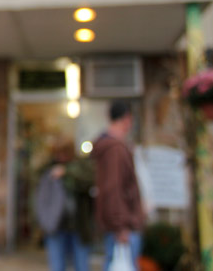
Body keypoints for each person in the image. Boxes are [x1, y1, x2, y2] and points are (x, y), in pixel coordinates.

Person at [91, 101, 145, 271]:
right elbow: (113, 188)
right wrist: (120, 225)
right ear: (126, 119)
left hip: (118, 222)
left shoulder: (111, 146)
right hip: (123, 224)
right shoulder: (115, 149)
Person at [35, 138, 94, 271]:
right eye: (58, 153)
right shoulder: (48, 169)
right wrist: (44, 221)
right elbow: (41, 197)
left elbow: (89, 181)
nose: (60, 157)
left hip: (79, 226)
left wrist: (68, 172)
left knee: (81, 265)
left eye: (63, 153)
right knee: (57, 265)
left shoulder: (80, 167)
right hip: (56, 226)